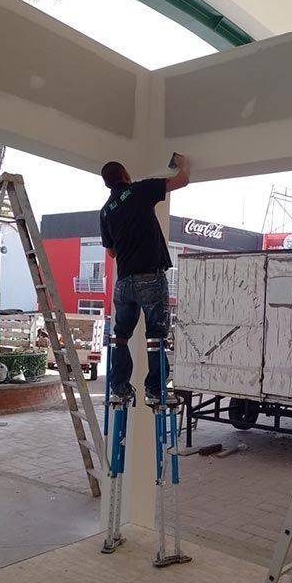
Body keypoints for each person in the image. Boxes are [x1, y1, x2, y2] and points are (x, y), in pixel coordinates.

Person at [100, 155, 190, 404]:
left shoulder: (106, 210)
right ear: (126, 175)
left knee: (120, 335)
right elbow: (182, 180)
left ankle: (119, 387)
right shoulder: (139, 190)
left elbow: (111, 252)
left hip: (123, 283)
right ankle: (155, 389)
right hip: (149, 277)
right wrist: (181, 162)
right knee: (156, 335)